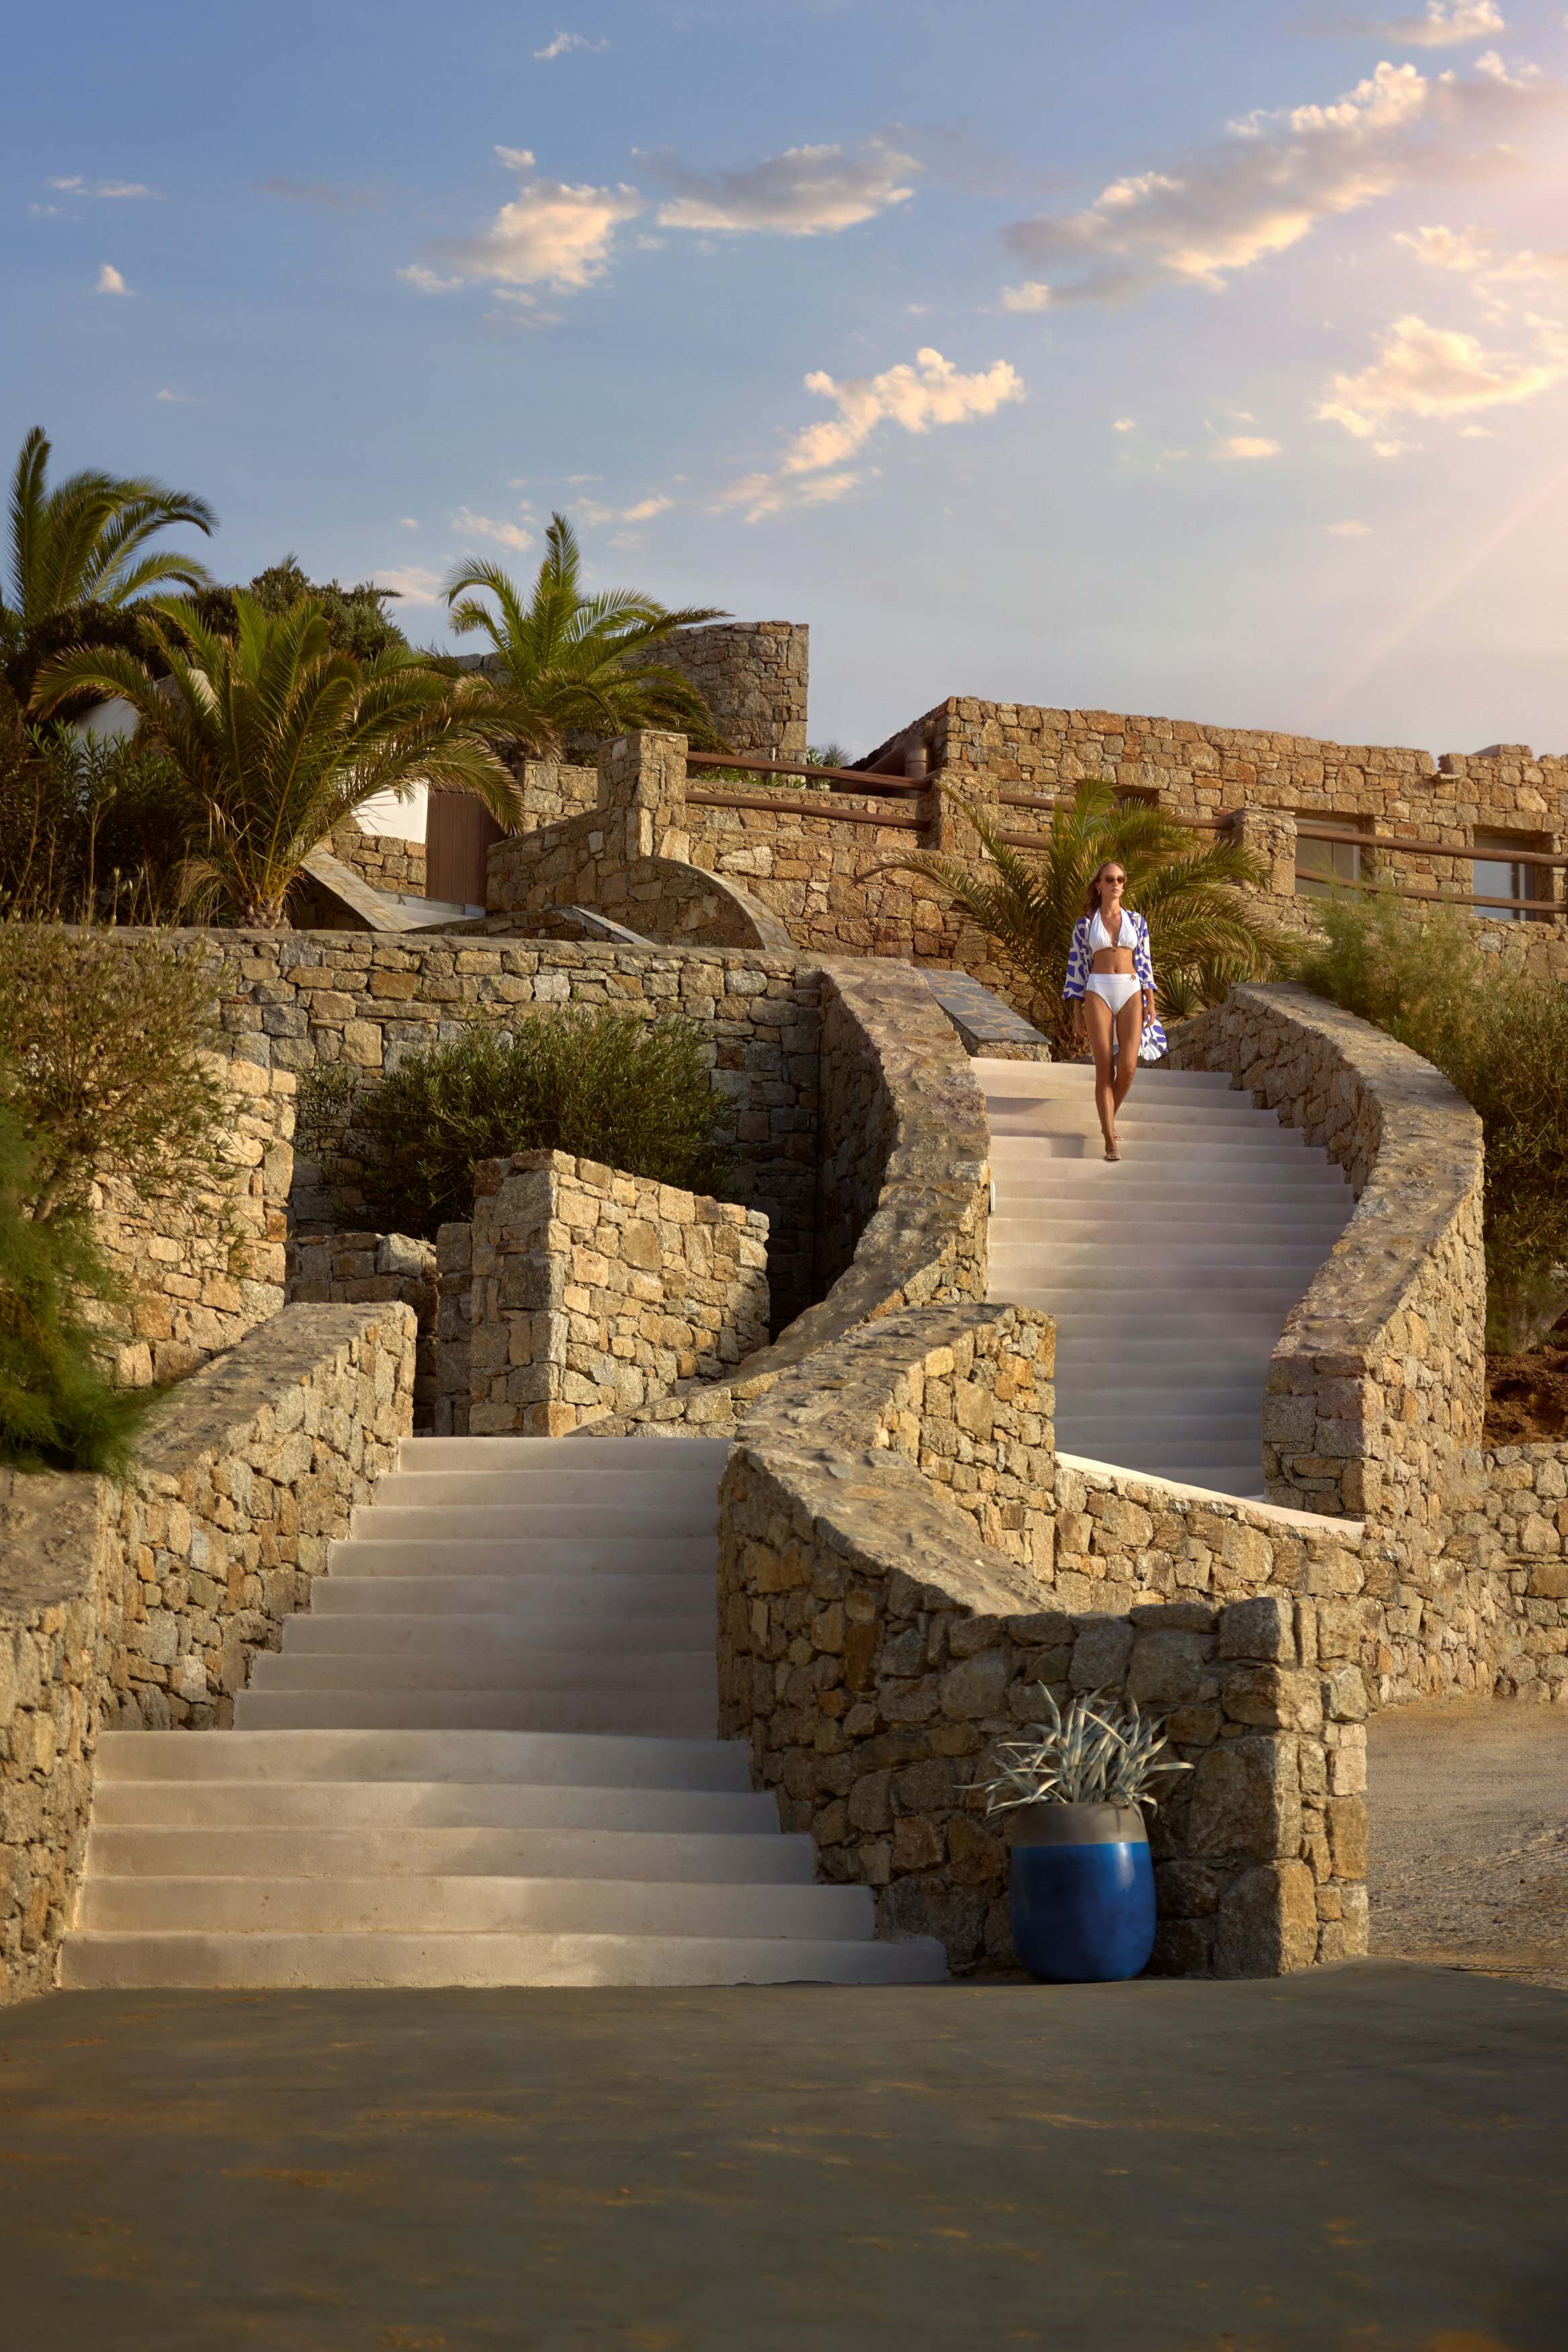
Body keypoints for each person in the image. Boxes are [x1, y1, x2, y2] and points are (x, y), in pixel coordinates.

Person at [1062, 860, 1168, 1160]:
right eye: (1109, 879)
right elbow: (1077, 967)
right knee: (1105, 1069)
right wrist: (1076, 1011)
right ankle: (1110, 1139)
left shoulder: (1137, 921)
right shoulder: (1085, 923)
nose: (1116, 884)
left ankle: (1108, 1117)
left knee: (1129, 1068)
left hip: (1132, 989)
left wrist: (1151, 1000)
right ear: (1098, 885)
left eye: (1121, 879)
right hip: (1097, 989)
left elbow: (1145, 962)